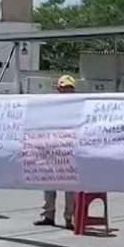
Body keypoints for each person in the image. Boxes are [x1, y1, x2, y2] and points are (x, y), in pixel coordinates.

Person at [34, 75, 77, 228]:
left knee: (70, 187)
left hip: (69, 151)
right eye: (65, 88)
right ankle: (48, 216)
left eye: (70, 89)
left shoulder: (78, 107)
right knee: (48, 184)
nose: (68, 92)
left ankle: (69, 218)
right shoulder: (51, 105)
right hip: (51, 149)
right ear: (59, 89)